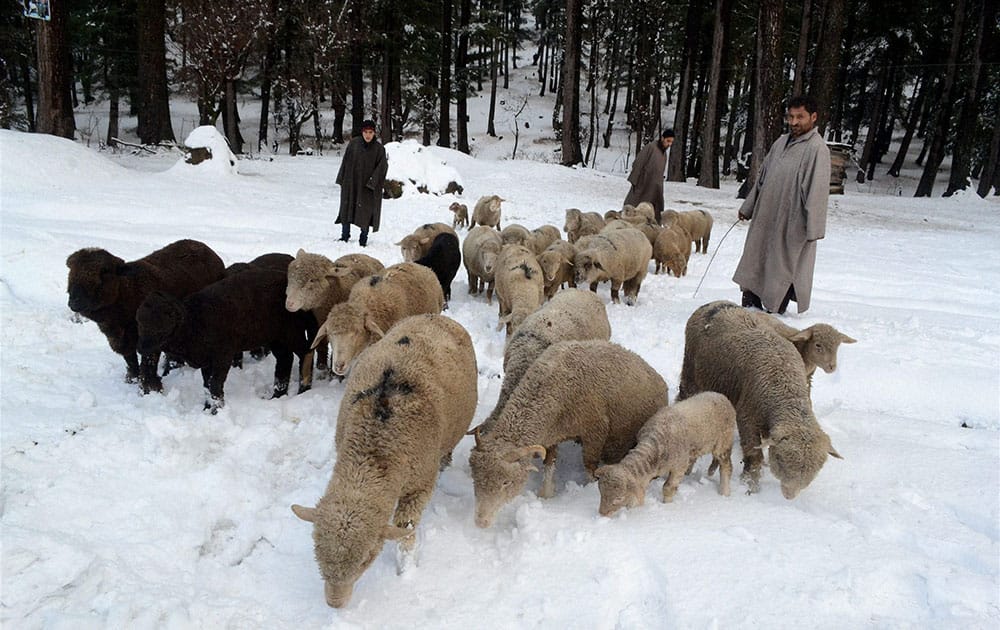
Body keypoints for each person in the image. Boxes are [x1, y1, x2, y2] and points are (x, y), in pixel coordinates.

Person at [733, 95, 830, 315]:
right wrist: (748, 207)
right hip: (765, 217)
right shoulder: (780, 142)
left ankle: (773, 314)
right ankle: (749, 307)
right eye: (791, 117)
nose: (794, 122)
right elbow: (762, 178)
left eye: (800, 117)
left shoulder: (817, 149)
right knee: (756, 260)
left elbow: (817, 192)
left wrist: (813, 230)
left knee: (781, 268)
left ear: (813, 117)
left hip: (791, 223)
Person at [335, 119, 388, 247]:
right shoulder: (354, 144)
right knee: (347, 208)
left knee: (366, 211)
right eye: (365, 132)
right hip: (351, 183)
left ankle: (363, 238)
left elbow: (382, 167)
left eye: (370, 132)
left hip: (367, 187)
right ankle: (345, 235)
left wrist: (372, 182)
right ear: (362, 132)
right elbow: (346, 161)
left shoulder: (379, 149)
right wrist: (342, 178)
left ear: (374, 133)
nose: (368, 135)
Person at [623, 129, 675, 224]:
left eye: (671, 142)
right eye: (668, 141)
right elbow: (638, 163)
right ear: (662, 138)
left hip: (656, 187)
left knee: (655, 210)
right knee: (635, 205)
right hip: (644, 183)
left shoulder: (664, 154)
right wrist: (636, 181)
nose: (669, 144)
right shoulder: (650, 148)